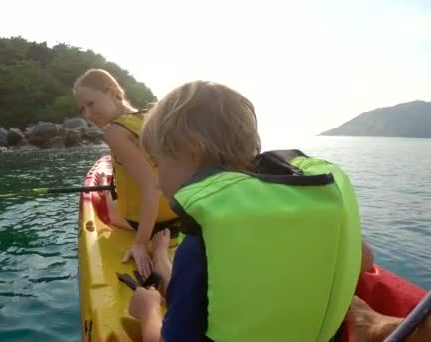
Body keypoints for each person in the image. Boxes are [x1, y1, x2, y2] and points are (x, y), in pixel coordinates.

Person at [128, 80, 364, 341]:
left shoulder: (200, 242)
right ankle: (162, 257)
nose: (158, 182)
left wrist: (148, 310)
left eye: (157, 163)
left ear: (191, 151)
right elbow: (365, 257)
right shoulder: (309, 208)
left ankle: (157, 273)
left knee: (152, 301)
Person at [73, 69, 178, 278]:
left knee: (107, 202)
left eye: (91, 103)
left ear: (112, 92)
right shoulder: (150, 118)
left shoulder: (114, 132)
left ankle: (156, 252)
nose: (87, 113)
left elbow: (152, 185)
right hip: (177, 213)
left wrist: (140, 244)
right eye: (83, 108)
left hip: (151, 223)